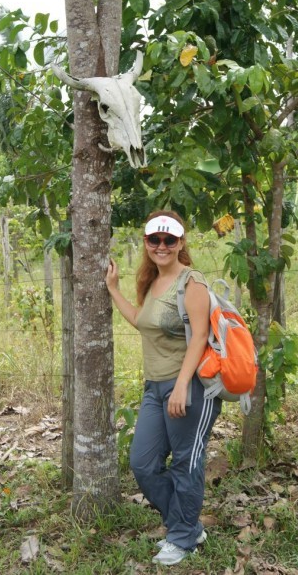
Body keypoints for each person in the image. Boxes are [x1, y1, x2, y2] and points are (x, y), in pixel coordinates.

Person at [106, 210, 221, 566]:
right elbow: (142, 321)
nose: (162, 246)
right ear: (146, 242)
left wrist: (182, 385)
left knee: (187, 464)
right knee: (142, 463)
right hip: (154, 388)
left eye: (169, 240)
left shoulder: (192, 282)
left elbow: (200, 335)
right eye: (154, 239)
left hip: (189, 388)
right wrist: (113, 289)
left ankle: (183, 537)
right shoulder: (152, 281)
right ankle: (185, 525)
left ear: (181, 243)